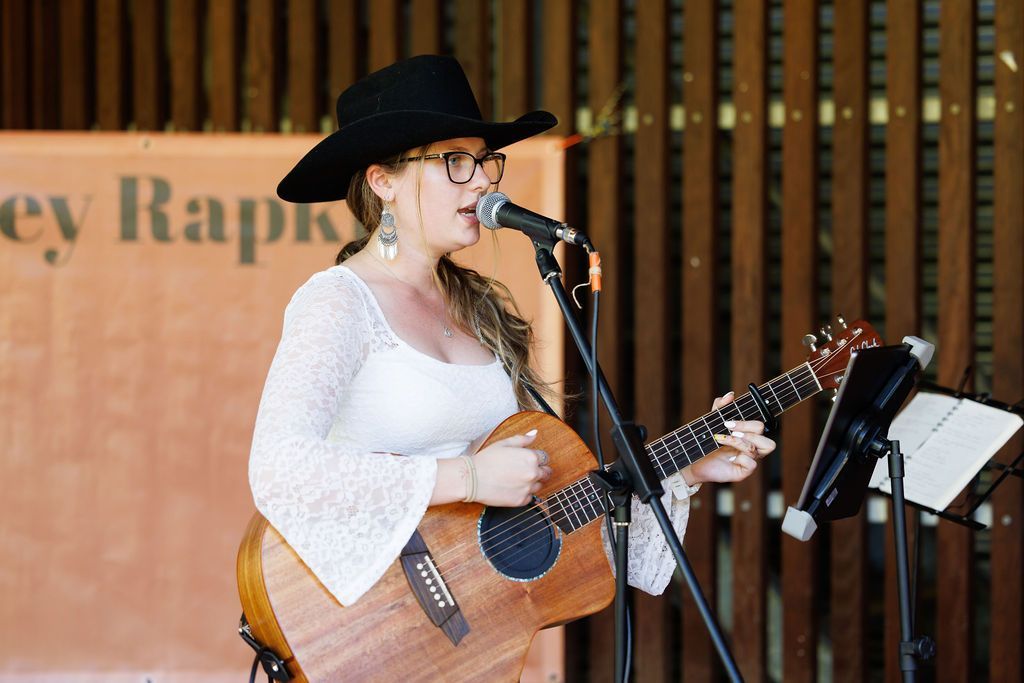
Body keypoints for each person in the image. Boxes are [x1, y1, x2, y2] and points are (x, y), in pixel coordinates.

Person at [248, 55, 775, 611]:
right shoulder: (339, 301)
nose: (479, 181)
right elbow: (280, 467)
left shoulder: (478, 310)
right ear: (384, 182)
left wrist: (680, 469)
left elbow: (539, 510)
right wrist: (469, 477)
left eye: (483, 162)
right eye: (454, 161)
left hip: (478, 627)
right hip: (372, 624)